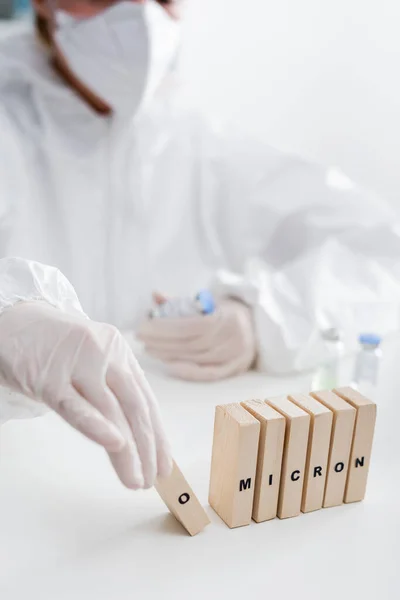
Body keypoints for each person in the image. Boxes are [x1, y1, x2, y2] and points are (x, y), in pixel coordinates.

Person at [1, 0, 399, 489]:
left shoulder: (193, 145)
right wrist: (9, 324)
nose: (141, 14)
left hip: (149, 503)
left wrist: (265, 315)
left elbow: (384, 253)